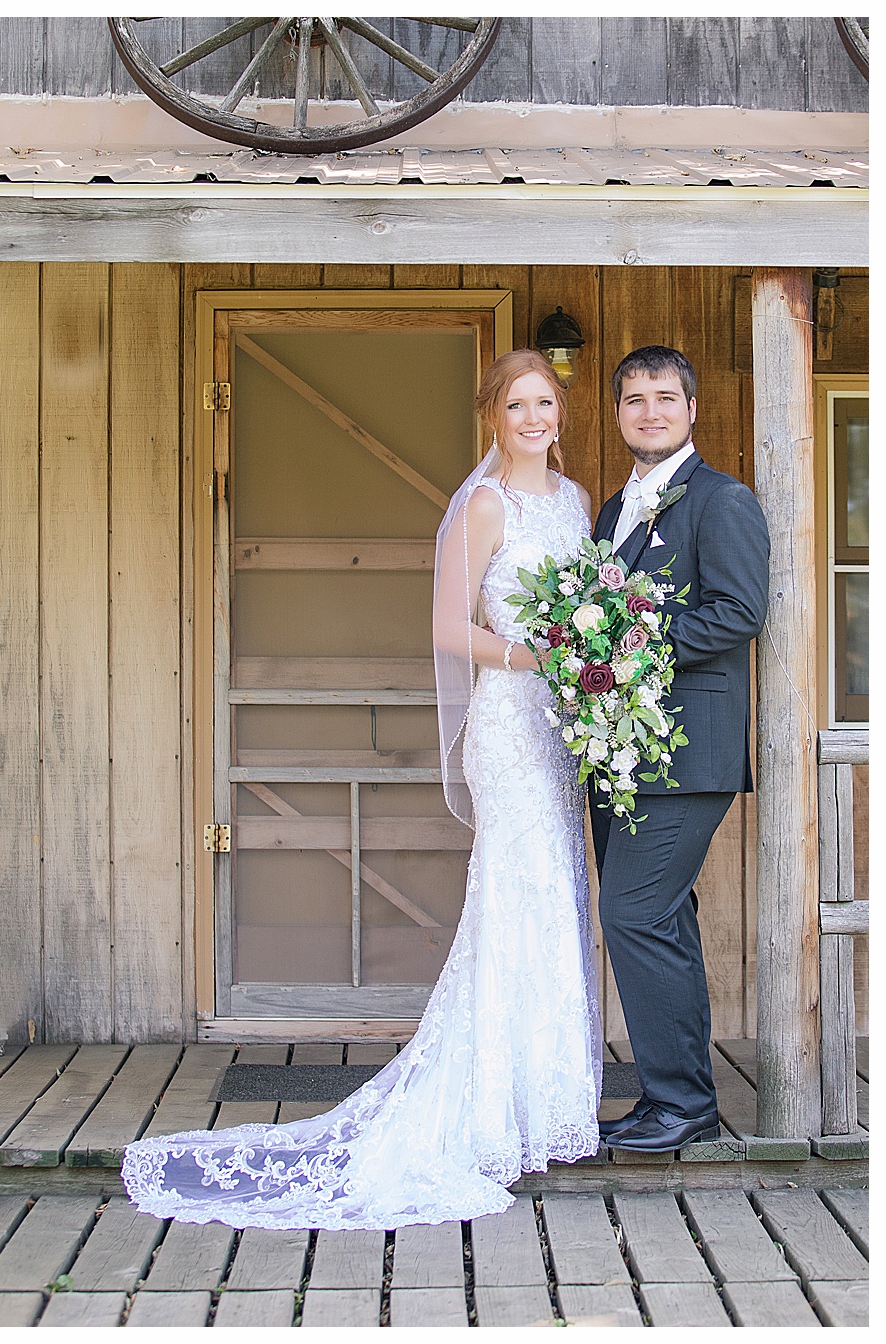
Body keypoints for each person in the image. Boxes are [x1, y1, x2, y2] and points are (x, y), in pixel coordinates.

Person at [121, 350, 600, 1230]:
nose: (535, 418)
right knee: (516, 895)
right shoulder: (484, 505)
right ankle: (490, 1112)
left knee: (555, 895)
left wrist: (588, 667)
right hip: (509, 721)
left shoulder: (571, 504)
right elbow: (448, 629)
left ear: (559, 411)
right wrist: (543, 658)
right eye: (517, 404)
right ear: (492, 415)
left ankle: (546, 1105)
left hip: (562, 727)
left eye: (546, 402)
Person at [591, 346, 767, 1153]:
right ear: (619, 413)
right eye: (634, 399)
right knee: (660, 921)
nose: (650, 411)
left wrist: (633, 636)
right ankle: (682, 1097)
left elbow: (738, 613)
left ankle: (681, 1104)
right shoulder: (611, 510)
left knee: (632, 914)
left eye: (665, 397)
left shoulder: (721, 501)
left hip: (688, 752)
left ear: (693, 409)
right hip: (622, 756)